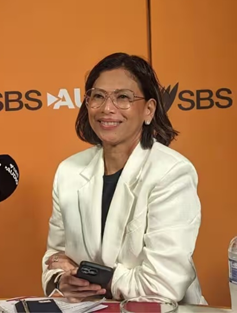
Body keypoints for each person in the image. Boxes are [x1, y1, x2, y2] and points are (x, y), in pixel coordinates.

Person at [42, 52, 206, 305]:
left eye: (123, 98)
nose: (107, 108)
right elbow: (55, 257)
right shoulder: (68, 171)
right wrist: (61, 280)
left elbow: (162, 286)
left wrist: (99, 279)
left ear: (148, 109)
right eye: (98, 96)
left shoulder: (172, 173)